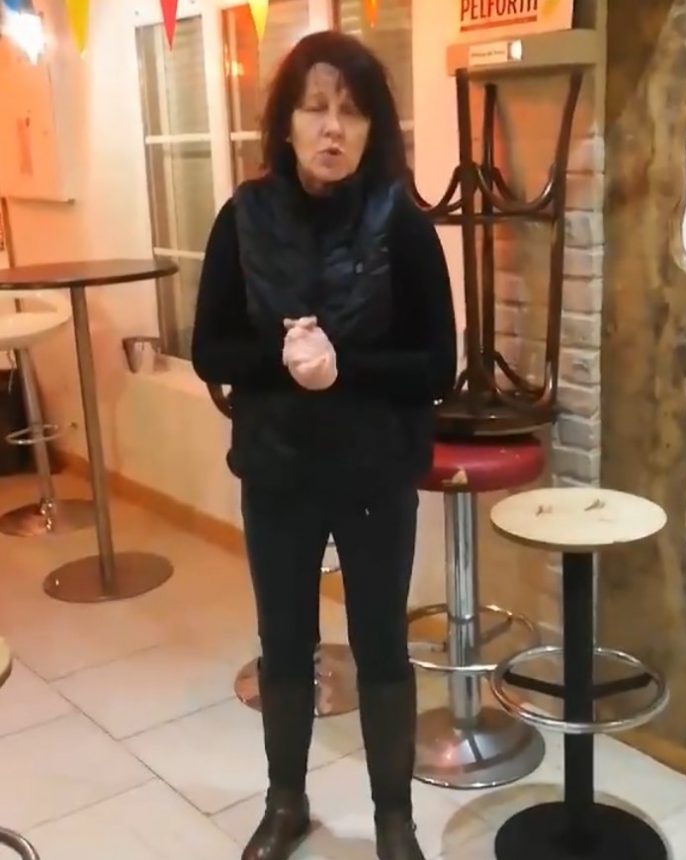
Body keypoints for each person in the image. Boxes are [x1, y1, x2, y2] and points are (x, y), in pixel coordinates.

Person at [191, 30, 457, 860]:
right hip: (277, 465)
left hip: (376, 467)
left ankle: (393, 820)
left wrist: (343, 365)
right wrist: (282, 357)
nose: (333, 127)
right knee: (284, 643)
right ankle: (285, 804)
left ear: (375, 129)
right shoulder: (243, 217)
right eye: (315, 108)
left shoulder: (401, 224)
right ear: (287, 122)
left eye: (352, 111)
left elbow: (437, 366)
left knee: (381, 644)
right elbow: (208, 349)